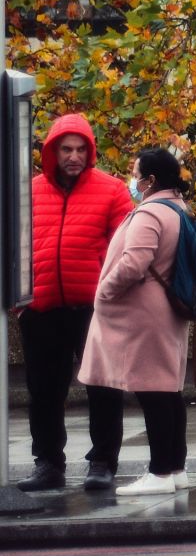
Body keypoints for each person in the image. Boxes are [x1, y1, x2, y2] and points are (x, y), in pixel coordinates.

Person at [14, 114, 133, 493]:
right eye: (66, 149)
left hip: (95, 309)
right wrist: (21, 301)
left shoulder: (112, 190)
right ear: (52, 151)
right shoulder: (27, 191)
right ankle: (48, 462)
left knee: (103, 387)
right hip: (42, 308)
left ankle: (102, 462)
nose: (74, 156)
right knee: (44, 391)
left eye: (81, 149)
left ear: (90, 151)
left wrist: (113, 297)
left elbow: (126, 247)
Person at [76, 148, 193, 495]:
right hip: (165, 311)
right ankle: (175, 468)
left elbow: (133, 263)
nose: (133, 178)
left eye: (136, 172)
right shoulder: (177, 208)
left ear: (150, 180)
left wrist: (104, 291)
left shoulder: (150, 213)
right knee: (169, 390)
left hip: (143, 314)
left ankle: (158, 473)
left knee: (153, 391)